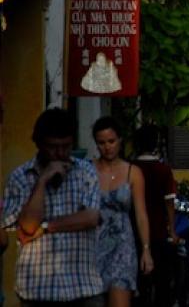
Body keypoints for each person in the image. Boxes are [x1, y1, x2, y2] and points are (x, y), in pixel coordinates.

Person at [1, 108, 104, 305]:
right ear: (39, 144)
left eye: (66, 146)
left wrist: (46, 227)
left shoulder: (86, 173)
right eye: (53, 147)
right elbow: (29, 227)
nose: (60, 153)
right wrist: (42, 181)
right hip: (38, 290)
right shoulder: (20, 177)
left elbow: (90, 218)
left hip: (82, 288)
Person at [91, 117, 154, 307]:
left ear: (120, 141)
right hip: (92, 245)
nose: (107, 147)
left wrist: (146, 250)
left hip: (122, 247)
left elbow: (141, 214)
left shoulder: (132, 172)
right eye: (101, 143)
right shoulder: (87, 170)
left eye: (111, 141)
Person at [132, 124, 178, 307]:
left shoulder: (130, 168)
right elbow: (169, 202)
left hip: (134, 230)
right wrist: (172, 229)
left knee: (138, 283)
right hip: (158, 230)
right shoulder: (162, 170)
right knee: (162, 282)